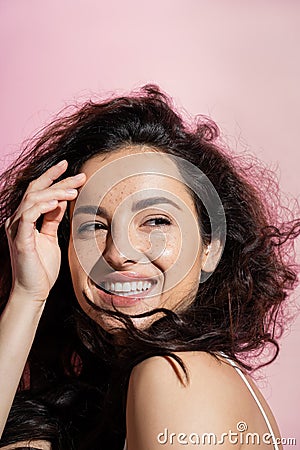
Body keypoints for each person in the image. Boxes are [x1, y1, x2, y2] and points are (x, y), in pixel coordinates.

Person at [0, 84, 299, 449]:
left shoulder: (176, 377)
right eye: (93, 226)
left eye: (156, 221)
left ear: (211, 247)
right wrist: (27, 295)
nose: (118, 252)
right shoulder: (106, 396)